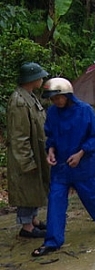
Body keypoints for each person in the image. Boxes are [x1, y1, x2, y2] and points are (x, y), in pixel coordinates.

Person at [32, 78, 95, 257]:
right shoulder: (52, 112)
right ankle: (53, 241)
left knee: (90, 196)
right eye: (53, 99)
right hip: (61, 166)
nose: (56, 102)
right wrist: (50, 151)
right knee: (55, 201)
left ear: (67, 95)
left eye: (58, 98)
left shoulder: (85, 111)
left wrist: (81, 153)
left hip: (83, 164)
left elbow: (94, 136)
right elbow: (50, 135)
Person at [7, 62, 51, 238]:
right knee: (26, 187)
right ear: (32, 78)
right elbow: (19, 136)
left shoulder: (29, 97)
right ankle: (26, 226)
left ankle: (32, 219)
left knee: (35, 188)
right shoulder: (18, 101)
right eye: (40, 76)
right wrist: (26, 160)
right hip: (25, 155)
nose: (42, 79)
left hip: (37, 150)